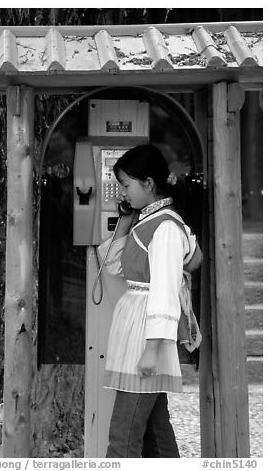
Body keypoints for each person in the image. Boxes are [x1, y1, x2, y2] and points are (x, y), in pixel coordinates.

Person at [97, 143, 201, 458]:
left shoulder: (166, 227)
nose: (122, 191)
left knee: (123, 436)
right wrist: (125, 219)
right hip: (137, 333)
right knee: (156, 433)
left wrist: (153, 349)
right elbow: (114, 265)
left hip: (145, 339)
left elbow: (166, 290)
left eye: (126, 185)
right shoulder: (147, 222)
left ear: (149, 184)